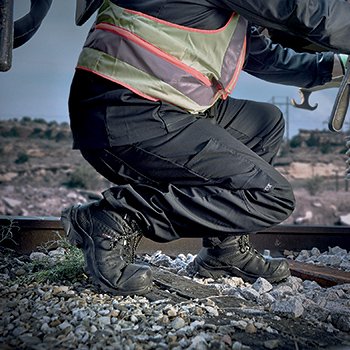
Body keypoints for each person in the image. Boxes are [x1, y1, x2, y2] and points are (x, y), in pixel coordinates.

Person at [62, 0, 350, 296]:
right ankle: (114, 219)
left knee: (265, 123)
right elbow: (303, 11)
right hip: (125, 114)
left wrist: (339, 67)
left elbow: (261, 56)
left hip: (148, 105)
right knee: (271, 197)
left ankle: (224, 252)